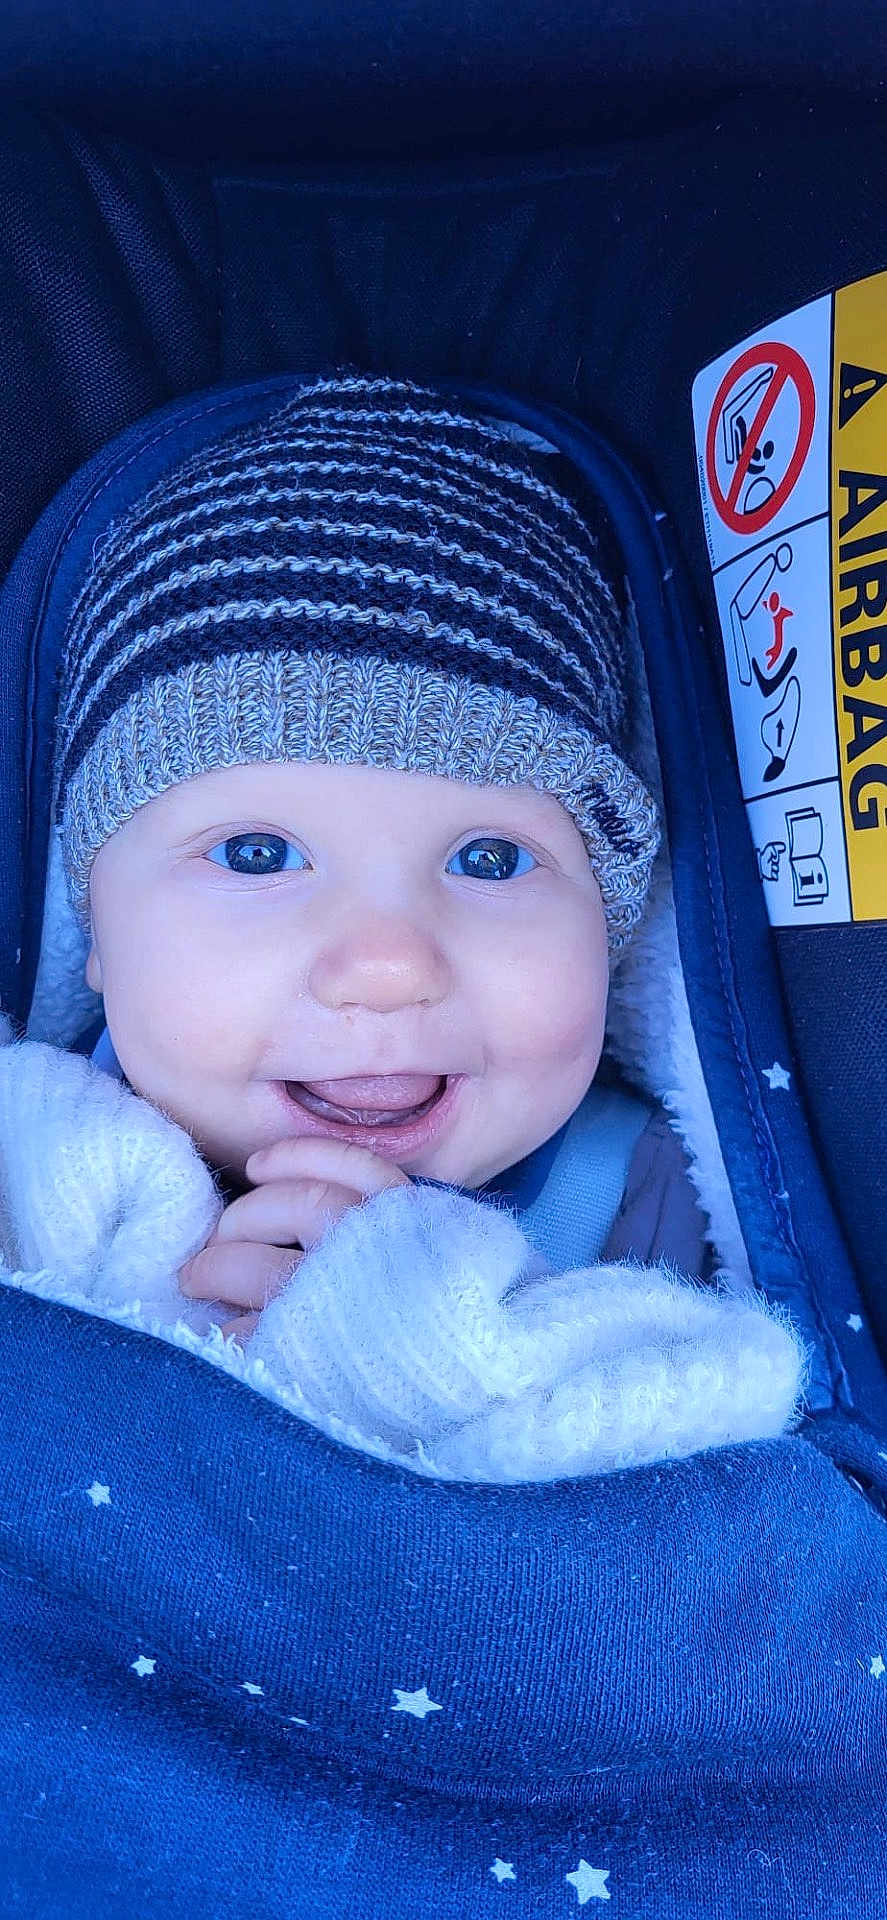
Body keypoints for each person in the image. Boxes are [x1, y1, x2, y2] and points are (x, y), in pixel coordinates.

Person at [1, 371, 807, 1484]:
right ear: (94, 926)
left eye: (488, 859)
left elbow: (713, 1530)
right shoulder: (29, 1165)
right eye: (255, 853)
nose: (385, 967)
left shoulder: (640, 1205)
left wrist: (441, 1364)